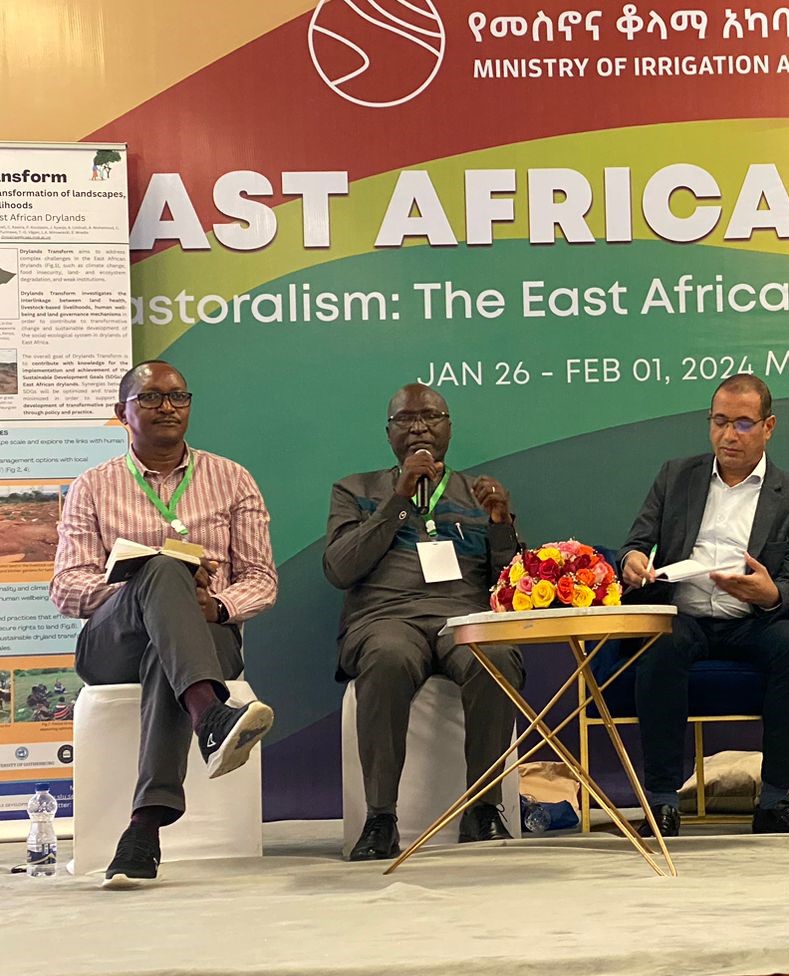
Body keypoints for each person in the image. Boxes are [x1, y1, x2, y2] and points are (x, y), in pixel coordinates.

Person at [51, 360, 278, 886]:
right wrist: (140, 589)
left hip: (207, 632)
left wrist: (216, 607)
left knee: (168, 651)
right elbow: (66, 586)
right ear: (122, 413)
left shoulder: (231, 478)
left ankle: (143, 830)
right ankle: (213, 719)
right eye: (150, 399)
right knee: (161, 569)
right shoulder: (93, 486)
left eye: (178, 397)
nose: (167, 408)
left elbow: (261, 579)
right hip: (114, 642)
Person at [618, 373, 789, 835]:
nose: (729, 435)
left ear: (769, 427)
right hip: (685, 614)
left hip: (750, 620)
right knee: (661, 644)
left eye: (744, 424)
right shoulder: (676, 476)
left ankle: (774, 801)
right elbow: (637, 543)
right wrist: (632, 561)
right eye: (720, 421)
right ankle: (663, 802)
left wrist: (768, 593)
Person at [325, 384, 525, 860]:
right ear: (388, 431)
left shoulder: (477, 492)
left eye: (431, 416)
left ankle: (483, 809)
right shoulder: (355, 490)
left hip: (464, 619)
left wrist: (500, 524)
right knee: (388, 657)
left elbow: (510, 587)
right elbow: (340, 568)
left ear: (449, 427)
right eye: (405, 419)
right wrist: (397, 498)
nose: (419, 427)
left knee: (495, 655)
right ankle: (380, 819)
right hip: (385, 619)